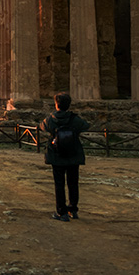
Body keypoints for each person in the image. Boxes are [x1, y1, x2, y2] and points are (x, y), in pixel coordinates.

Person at [41, 92, 89, 222]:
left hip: (57, 155)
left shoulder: (51, 119)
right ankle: (73, 209)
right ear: (68, 105)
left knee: (59, 184)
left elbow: (42, 126)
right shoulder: (74, 119)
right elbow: (85, 126)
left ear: (57, 105)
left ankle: (61, 212)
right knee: (73, 183)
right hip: (73, 155)